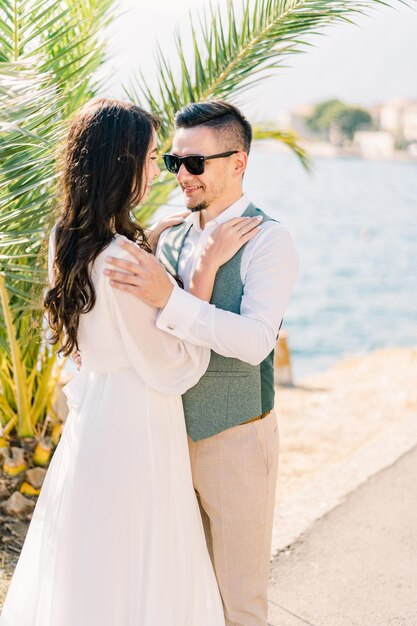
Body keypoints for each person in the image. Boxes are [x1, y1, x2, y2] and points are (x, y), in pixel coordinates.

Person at [0, 97, 262, 626]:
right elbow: (174, 367)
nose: (156, 171)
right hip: (138, 422)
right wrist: (203, 272)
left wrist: (150, 241)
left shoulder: (67, 241)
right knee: (142, 556)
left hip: (95, 418)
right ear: (121, 164)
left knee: (93, 557)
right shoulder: (123, 261)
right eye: (148, 159)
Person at [104, 100, 299, 626]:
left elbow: (257, 341)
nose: (181, 175)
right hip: (163, 440)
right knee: (180, 598)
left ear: (238, 163)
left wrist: (172, 300)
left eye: (196, 163)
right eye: (173, 162)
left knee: (239, 602)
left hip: (235, 441)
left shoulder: (271, 240)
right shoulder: (171, 235)